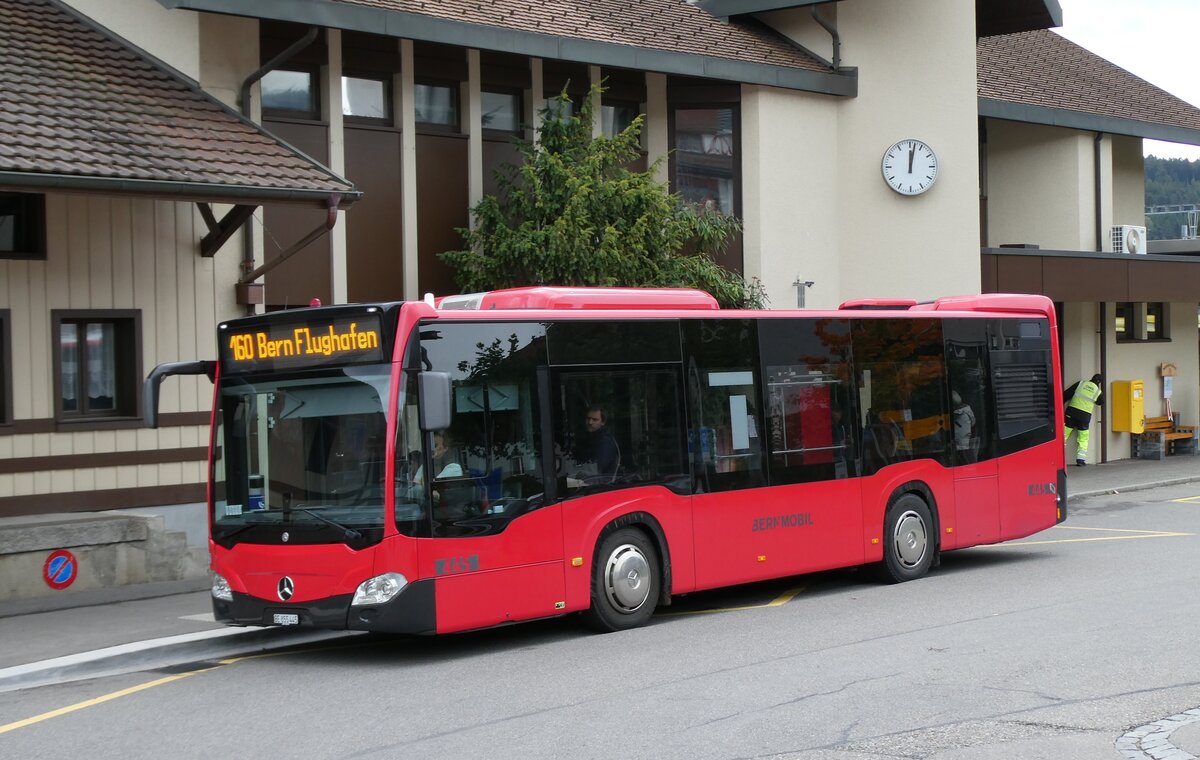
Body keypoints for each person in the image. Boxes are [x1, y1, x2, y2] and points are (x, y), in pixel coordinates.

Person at [1064, 373, 1104, 466]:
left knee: (1063, 435)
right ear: (1099, 383)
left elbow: (1066, 394)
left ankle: (1056, 457)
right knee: (1083, 438)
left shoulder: (1081, 383)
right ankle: (1080, 460)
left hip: (1071, 413)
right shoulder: (1098, 391)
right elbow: (1101, 402)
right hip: (1084, 417)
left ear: (1092, 378)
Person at [573, 405, 619, 482]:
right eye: (588, 418)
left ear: (603, 422)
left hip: (602, 485)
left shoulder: (604, 441)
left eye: (595, 420)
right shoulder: (588, 437)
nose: (590, 422)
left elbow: (598, 468)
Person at [951, 391, 977, 465]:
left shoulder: (961, 415)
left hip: (963, 446)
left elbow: (962, 437)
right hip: (964, 446)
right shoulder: (965, 412)